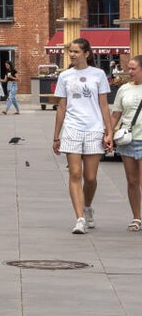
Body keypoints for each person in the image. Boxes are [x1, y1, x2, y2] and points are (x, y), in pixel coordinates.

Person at [52, 38, 113, 234]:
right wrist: (56, 136)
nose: (72, 55)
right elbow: (61, 106)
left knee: (91, 177)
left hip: (94, 128)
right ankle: (79, 218)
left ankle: (87, 207)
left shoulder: (98, 74)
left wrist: (109, 130)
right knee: (75, 174)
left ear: (86, 54)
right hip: (72, 128)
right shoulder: (65, 76)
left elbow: (104, 104)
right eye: (70, 51)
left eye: (76, 51)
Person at [110, 55, 142, 232]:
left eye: (133, 69)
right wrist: (108, 133)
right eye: (128, 68)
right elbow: (116, 114)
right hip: (128, 139)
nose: (129, 72)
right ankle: (136, 217)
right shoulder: (124, 89)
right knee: (132, 181)